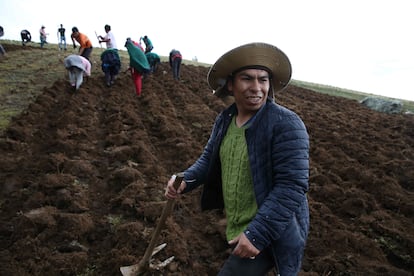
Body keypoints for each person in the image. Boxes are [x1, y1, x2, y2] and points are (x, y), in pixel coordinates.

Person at [165, 42, 310, 276]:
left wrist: (258, 233)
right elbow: (209, 159)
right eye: (247, 79)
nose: (256, 87)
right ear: (231, 84)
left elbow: (292, 186)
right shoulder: (226, 120)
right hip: (240, 225)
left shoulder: (286, 124)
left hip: (272, 229)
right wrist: (186, 180)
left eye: (263, 80)